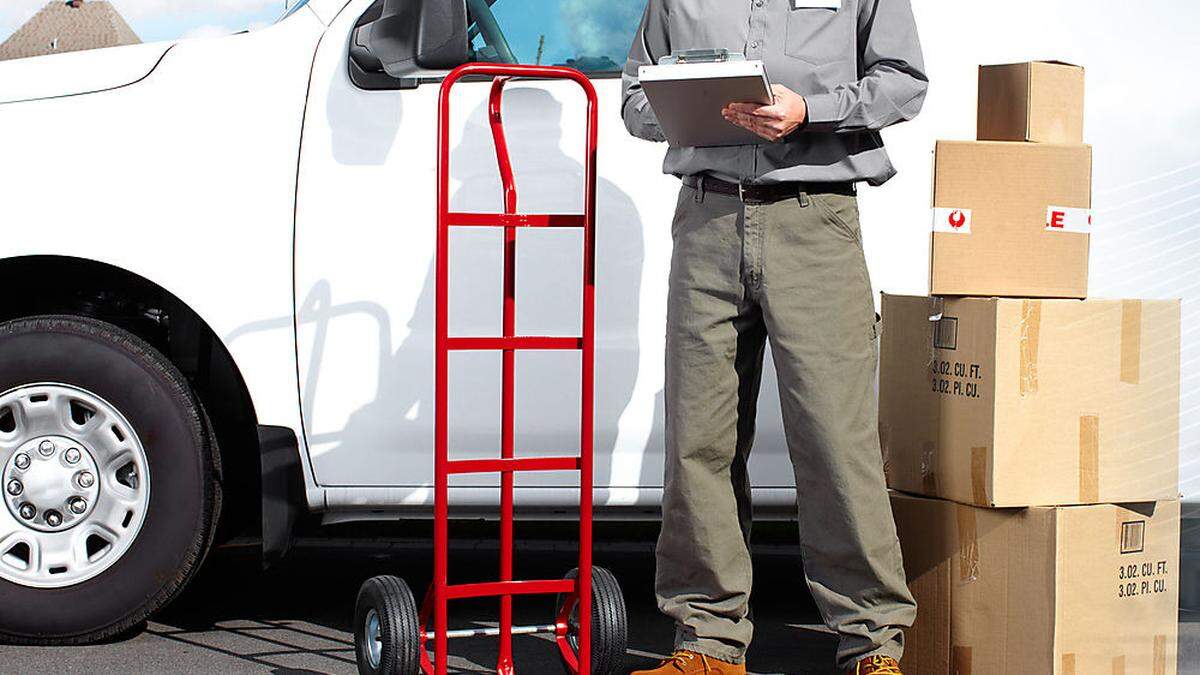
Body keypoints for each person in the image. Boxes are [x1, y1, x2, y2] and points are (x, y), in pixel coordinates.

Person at [621, 1, 927, 674]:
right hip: (706, 218)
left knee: (834, 438)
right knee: (699, 437)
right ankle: (707, 640)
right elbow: (635, 95)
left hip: (813, 220)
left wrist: (809, 109)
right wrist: (687, 110)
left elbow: (904, 80)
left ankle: (873, 643)